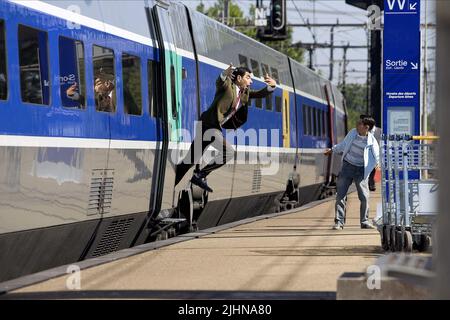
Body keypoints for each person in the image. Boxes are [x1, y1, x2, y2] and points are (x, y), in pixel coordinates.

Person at [174, 64, 277, 192]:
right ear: (239, 78)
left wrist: (272, 86)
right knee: (228, 152)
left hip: (210, 126)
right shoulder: (228, 86)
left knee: (189, 160)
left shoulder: (245, 93)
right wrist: (224, 74)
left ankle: (168, 185)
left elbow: (260, 94)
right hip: (210, 125)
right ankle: (199, 175)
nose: (251, 81)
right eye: (248, 77)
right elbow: (220, 81)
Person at [324, 116, 380, 230]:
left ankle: (364, 221)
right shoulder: (353, 133)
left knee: (364, 197)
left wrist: (377, 165)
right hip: (347, 167)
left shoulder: (372, 141)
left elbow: (376, 155)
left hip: (361, 170)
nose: (356, 124)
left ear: (366, 127)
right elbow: (343, 145)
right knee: (340, 195)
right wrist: (332, 150)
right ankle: (339, 222)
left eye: (359, 123)